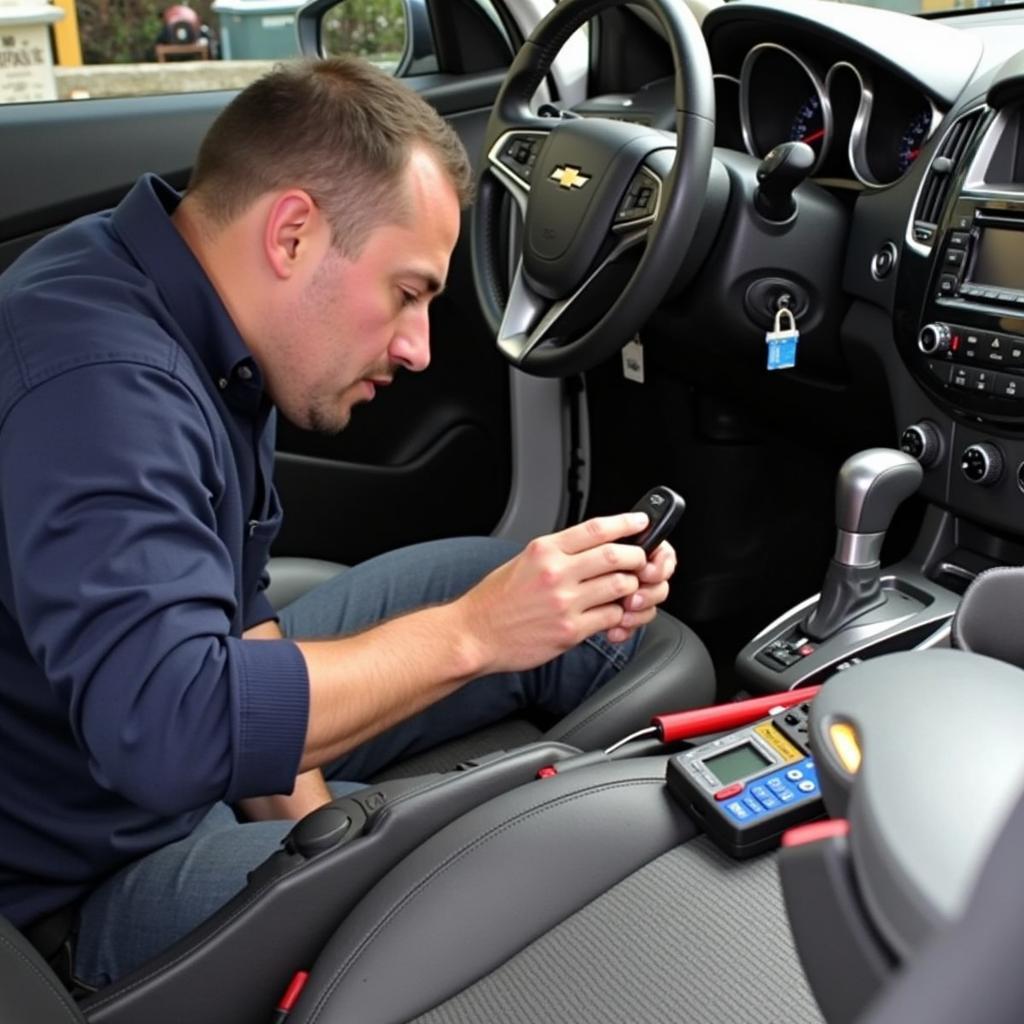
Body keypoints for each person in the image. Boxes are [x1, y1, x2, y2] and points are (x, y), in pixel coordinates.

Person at [0, 57, 677, 988]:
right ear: (291, 234)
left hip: (140, 751)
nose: (418, 346)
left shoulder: (193, 313)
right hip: (66, 883)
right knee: (477, 863)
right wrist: (475, 636)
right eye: (407, 292)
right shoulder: (101, 389)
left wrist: (316, 841)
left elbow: (234, 614)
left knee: (517, 587)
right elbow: (171, 728)